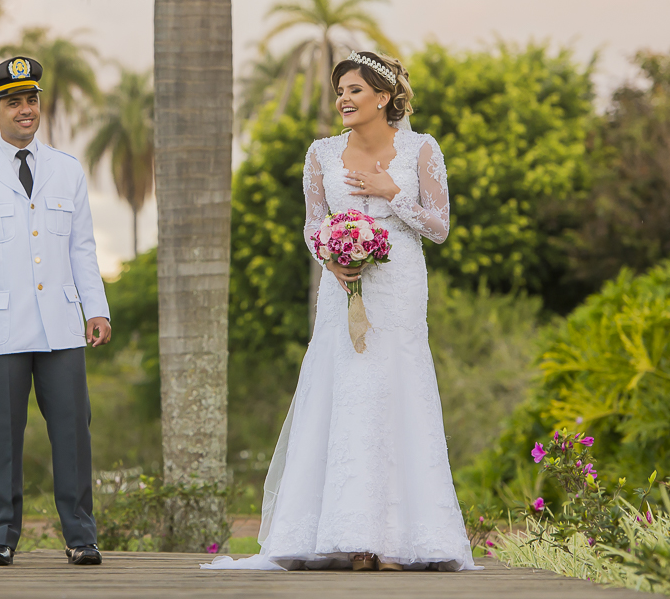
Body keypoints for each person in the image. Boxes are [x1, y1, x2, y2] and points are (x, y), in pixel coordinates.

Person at [204, 51, 477, 572]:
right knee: (345, 391)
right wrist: (330, 257)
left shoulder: (421, 149)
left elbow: (439, 226)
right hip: (341, 288)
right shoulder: (320, 153)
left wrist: (391, 193)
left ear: (384, 96)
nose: (344, 99)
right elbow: (312, 224)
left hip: (397, 288)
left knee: (395, 390)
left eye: (355, 90)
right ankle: (352, 540)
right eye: (340, 91)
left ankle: (397, 541)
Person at [0, 56, 112, 567]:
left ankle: (81, 537)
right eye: (13, 102)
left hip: (61, 327)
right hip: (0, 328)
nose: (25, 110)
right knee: (3, 438)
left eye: (31, 100)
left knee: (72, 434)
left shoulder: (67, 169)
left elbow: (82, 247)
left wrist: (96, 308)